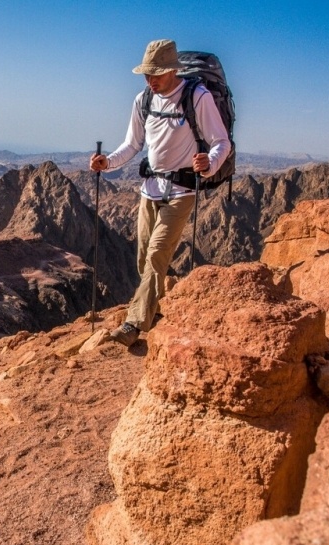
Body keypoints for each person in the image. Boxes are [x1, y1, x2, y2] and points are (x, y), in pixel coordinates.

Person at [90, 39, 231, 347]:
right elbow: (132, 144)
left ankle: (133, 324)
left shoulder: (197, 97)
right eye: (146, 74)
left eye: (156, 74)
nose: (150, 80)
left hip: (182, 191)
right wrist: (107, 163)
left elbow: (221, 142)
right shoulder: (144, 100)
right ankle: (157, 305)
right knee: (144, 260)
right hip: (150, 190)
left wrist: (209, 163)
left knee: (156, 256)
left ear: (172, 70)